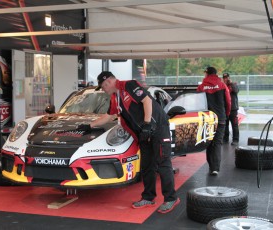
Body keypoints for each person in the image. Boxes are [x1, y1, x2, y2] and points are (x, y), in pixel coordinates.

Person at [78, 71, 180, 213]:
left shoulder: (128, 85)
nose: (103, 90)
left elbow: (147, 101)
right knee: (147, 166)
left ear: (107, 82)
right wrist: (89, 126)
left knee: (163, 163)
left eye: (102, 86)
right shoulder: (115, 98)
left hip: (157, 129)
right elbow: (108, 116)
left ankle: (171, 198)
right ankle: (148, 197)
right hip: (143, 133)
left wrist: (147, 124)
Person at [197, 67, 231, 176]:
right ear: (216, 74)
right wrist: (226, 114)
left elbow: (197, 102)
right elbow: (228, 101)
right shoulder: (222, 85)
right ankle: (215, 168)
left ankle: (211, 165)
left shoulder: (201, 86)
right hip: (220, 118)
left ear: (207, 73)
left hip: (207, 119)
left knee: (209, 142)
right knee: (217, 143)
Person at [222, 73, 240, 145]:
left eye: (227, 77)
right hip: (225, 109)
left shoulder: (233, 85)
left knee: (234, 125)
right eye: (224, 78)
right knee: (225, 125)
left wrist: (231, 83)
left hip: (233, 109)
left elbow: (236, 91)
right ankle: (225, 139)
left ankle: (235, 140)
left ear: (229, 78)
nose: (226, 79)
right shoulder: (223, 86)